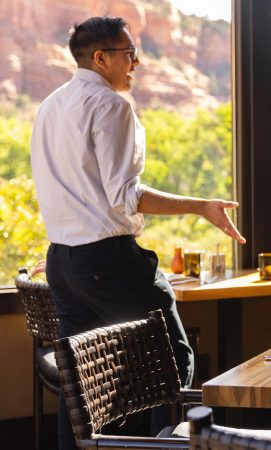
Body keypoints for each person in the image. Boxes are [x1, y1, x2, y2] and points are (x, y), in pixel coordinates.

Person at [29, 16, 246, 450]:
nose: (138, 62)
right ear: (101, 58)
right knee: (173, 361)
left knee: (79, 385)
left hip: (63, 263)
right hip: (108, 261)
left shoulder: (50, 105)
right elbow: (125, 196)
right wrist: (200, 206)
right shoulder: (111, 105)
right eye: (129, 53)